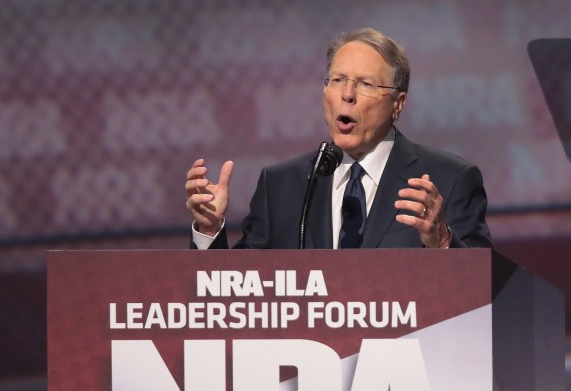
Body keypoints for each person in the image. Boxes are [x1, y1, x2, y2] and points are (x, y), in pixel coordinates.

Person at [185, 27, 492, 250]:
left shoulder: (448, 180)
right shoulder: (281, 186)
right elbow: (236, 295)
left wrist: (443, 243)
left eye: (365, 84)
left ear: (397, 104)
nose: (347, 95)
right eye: (337, 80)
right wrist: (209, 229)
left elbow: (486, 292)